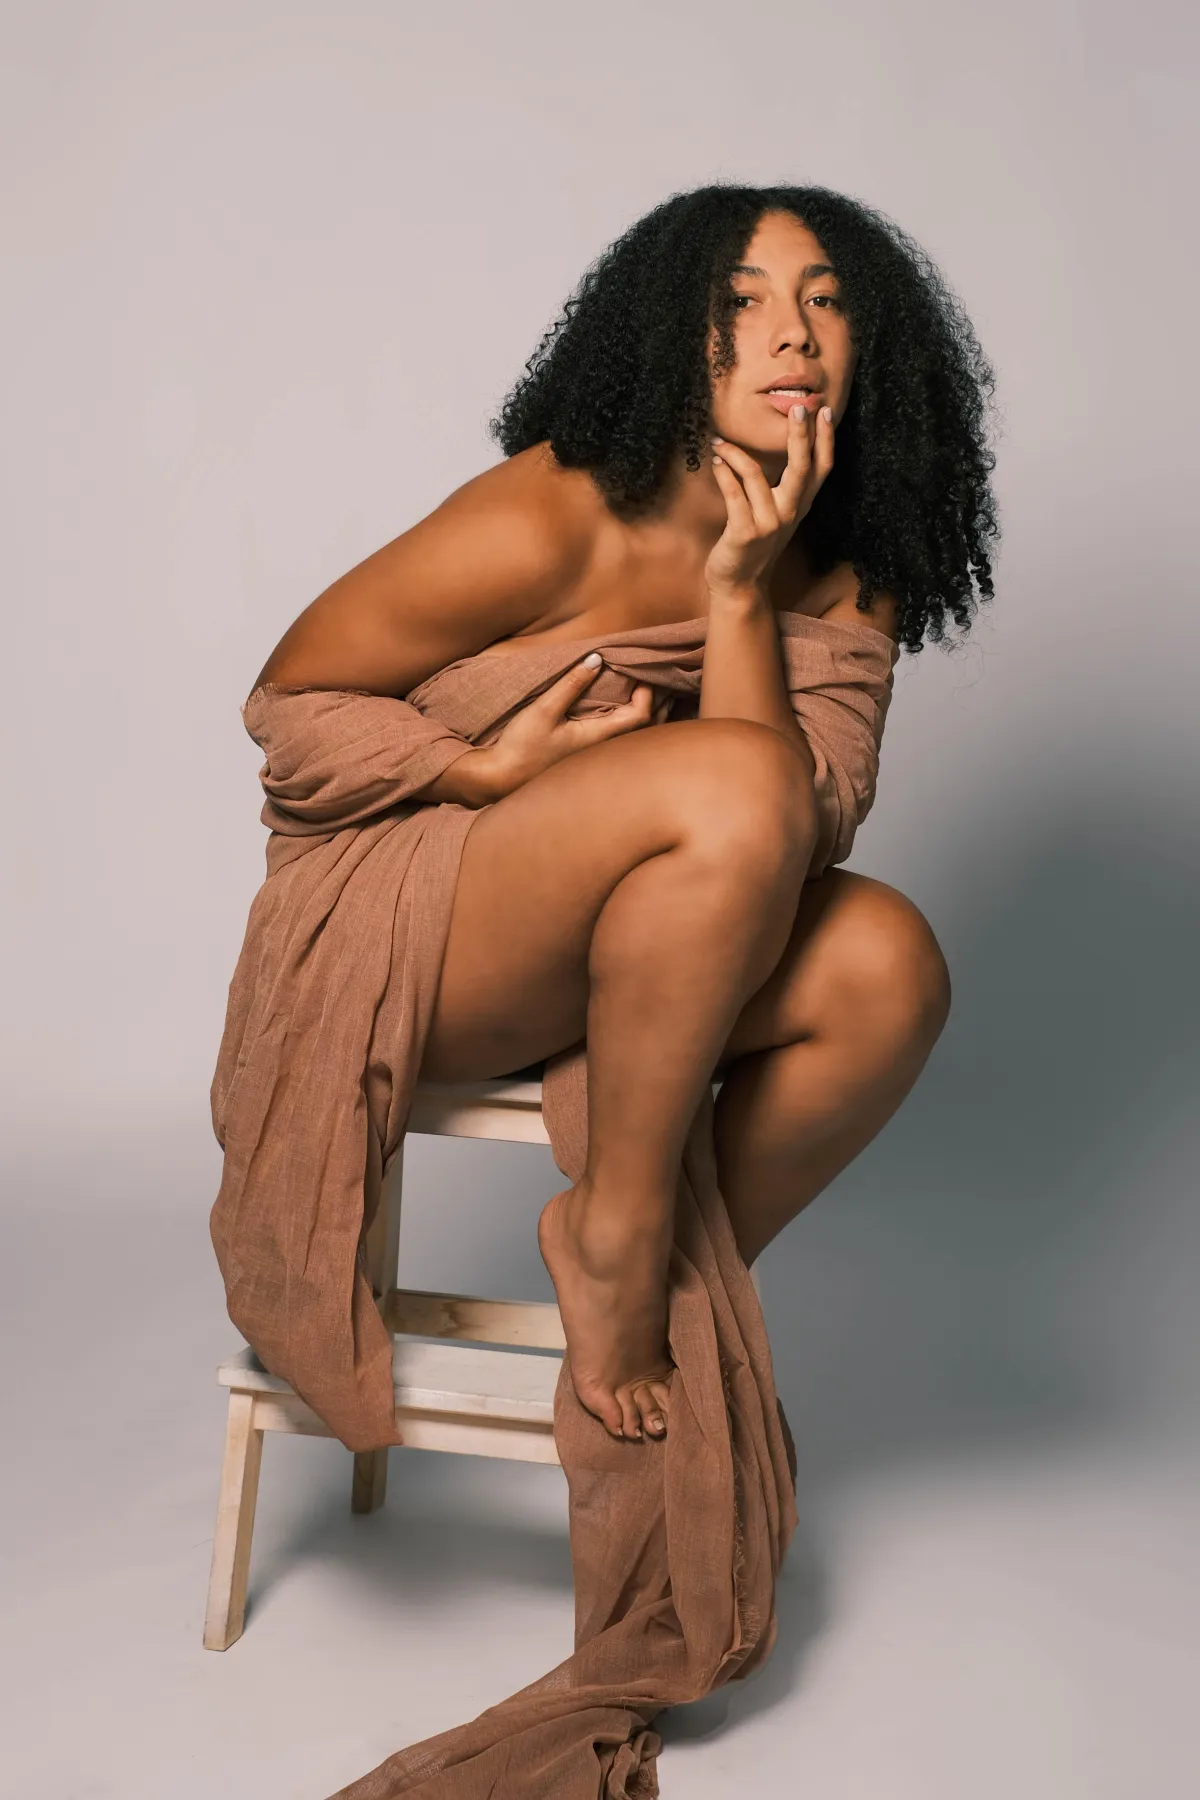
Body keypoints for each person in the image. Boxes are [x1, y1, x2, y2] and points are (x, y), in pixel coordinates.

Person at [249, 182, 998, 1451]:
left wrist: (739, 595)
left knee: (891, 965)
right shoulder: (558, 510)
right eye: (743, 302)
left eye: (826, 301)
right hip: (426, 935)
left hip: (665, 953)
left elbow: (802, 829)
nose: (793, 333)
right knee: (741, 776)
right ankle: (618, 1231)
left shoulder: (852, 571)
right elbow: (291, 700)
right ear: (669, 335)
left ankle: (655, 1264)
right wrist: (472, 769)